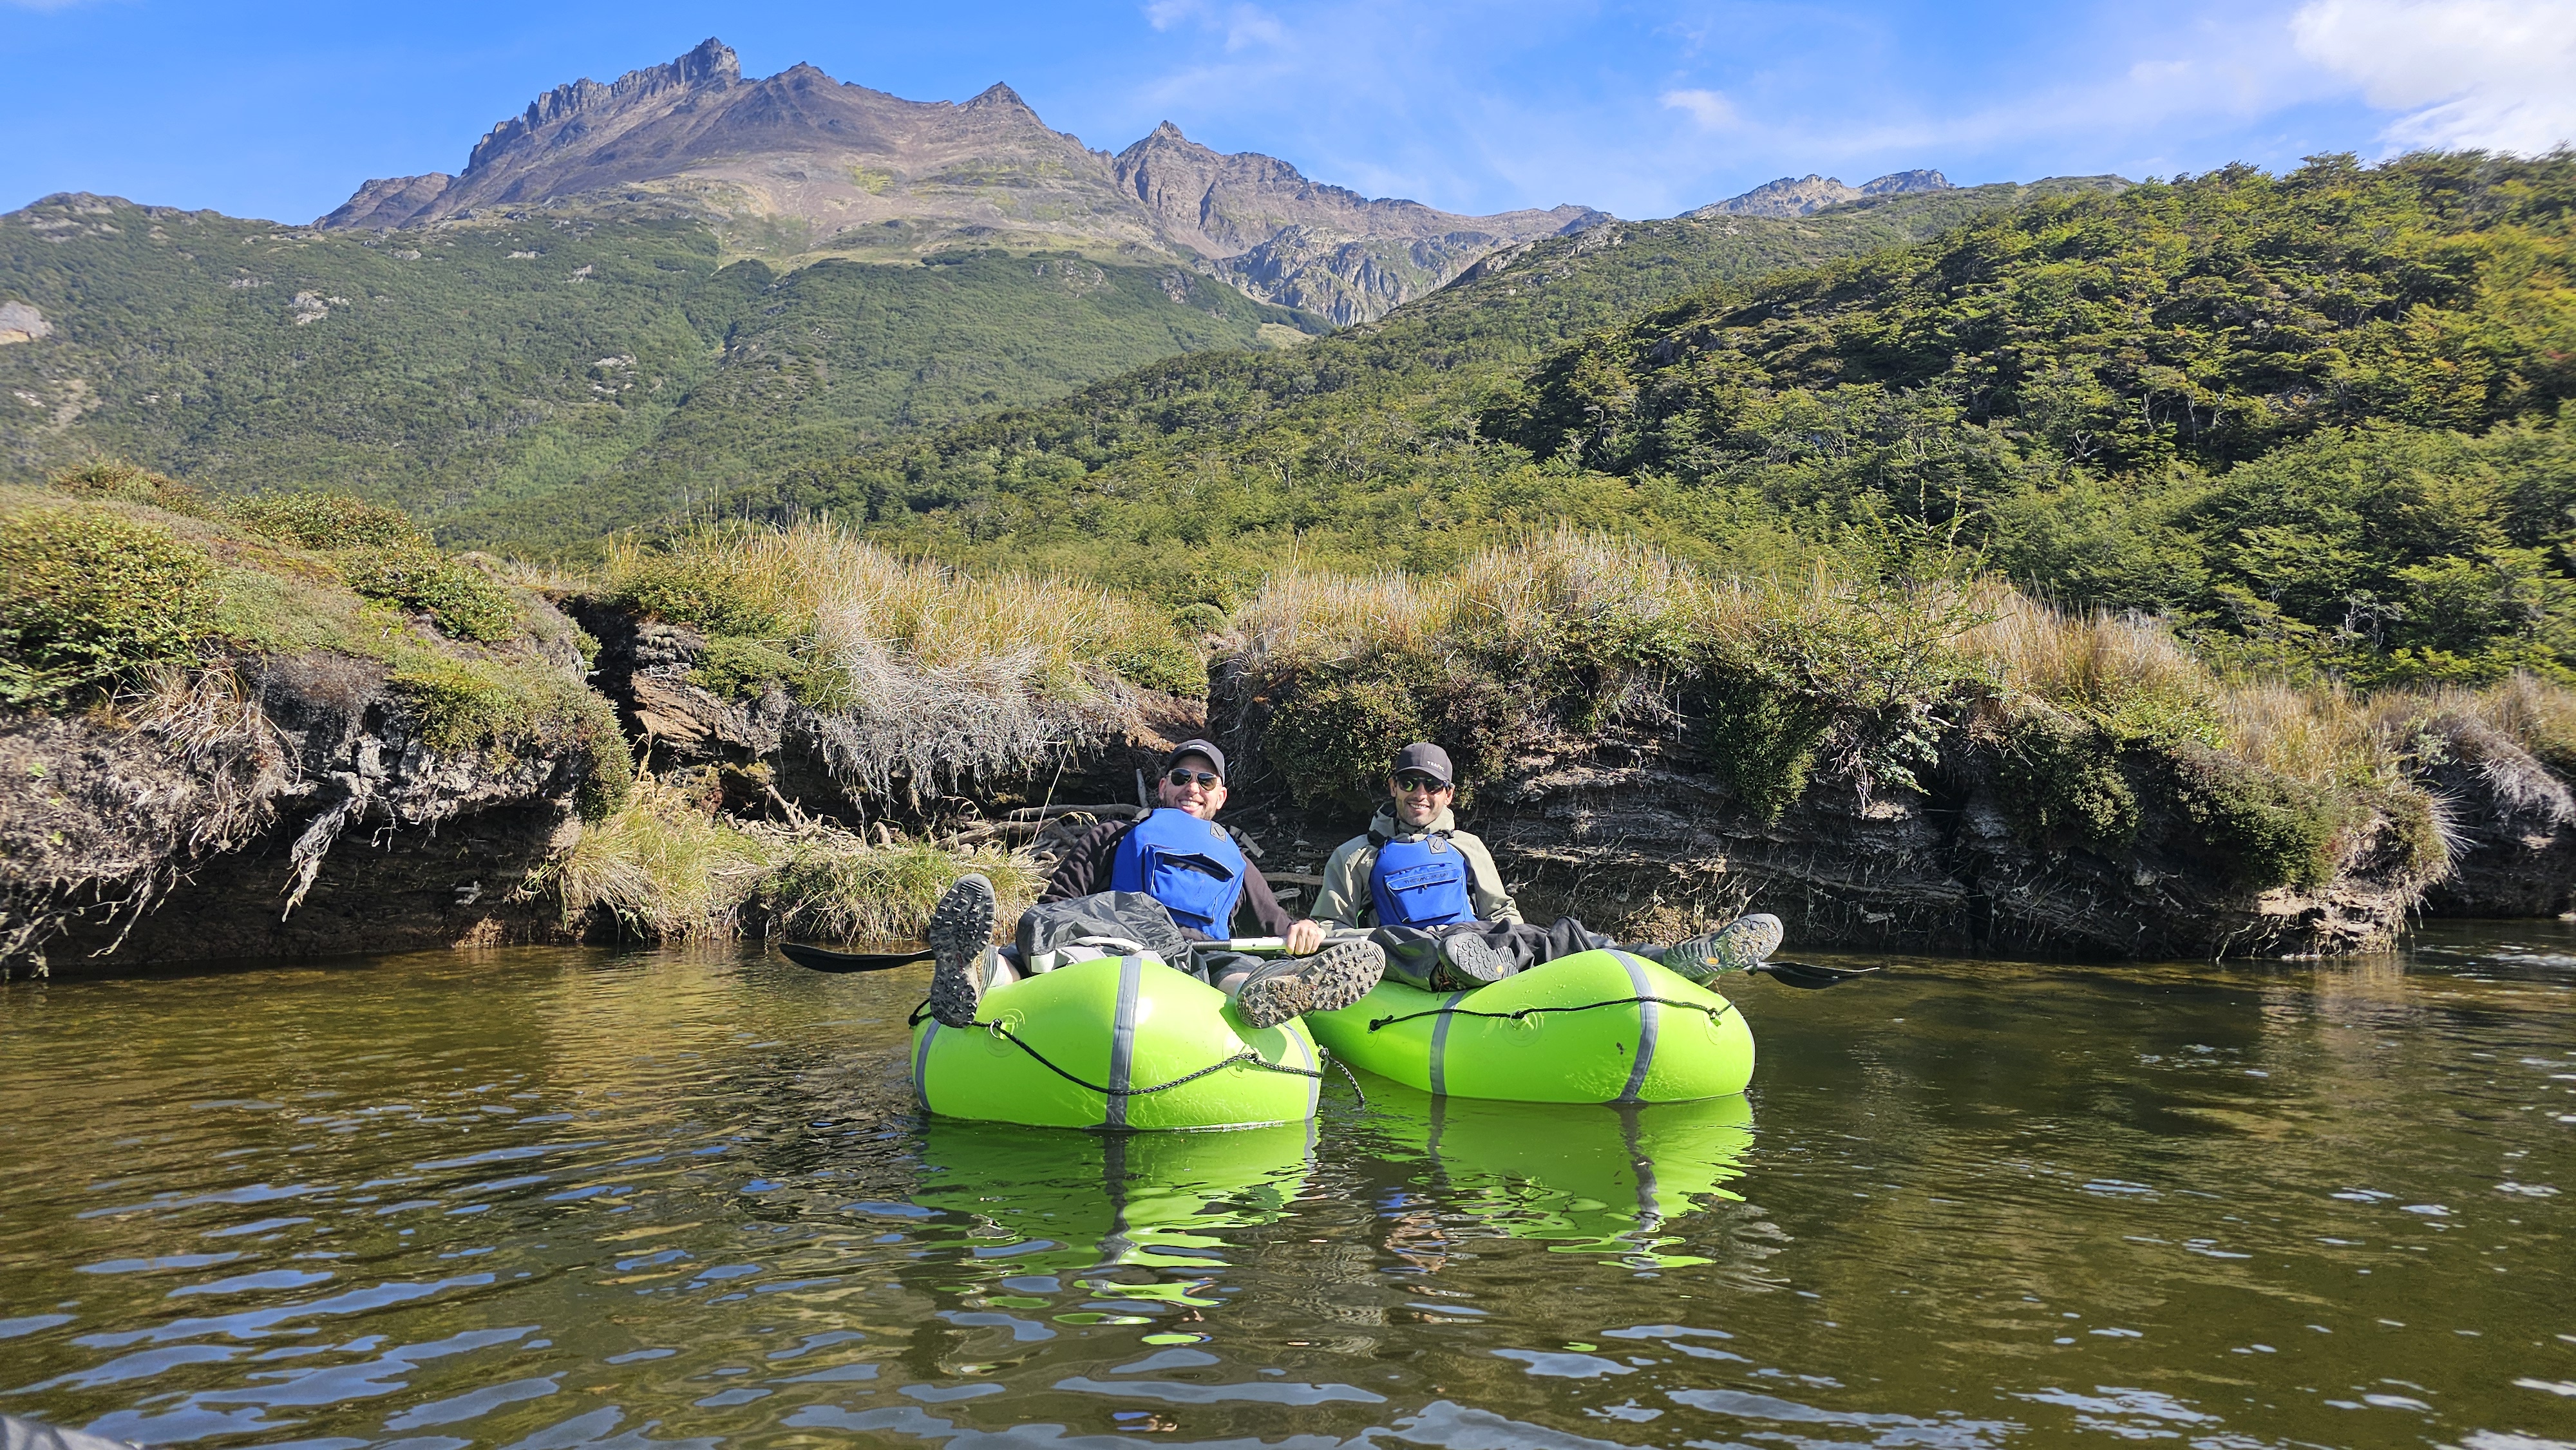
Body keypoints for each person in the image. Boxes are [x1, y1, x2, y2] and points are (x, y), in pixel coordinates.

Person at [925, 739, 1385, 1030]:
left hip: (1198, 960)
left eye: (1206, 780)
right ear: (1163, 787)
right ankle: (978, 971)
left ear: (1221, 796)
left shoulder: (1238, 863)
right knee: (1041, 941)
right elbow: (1053, 908)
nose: (1192, 787)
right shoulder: (1113, 836)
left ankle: (1267, 993)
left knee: (1234, 964)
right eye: (1182, 778)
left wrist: (1303, 930)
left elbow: (1278, 926)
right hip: (1116, 948)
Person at [1311, 742, 1785, 991]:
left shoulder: (1467, 846)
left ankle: (1672, 960)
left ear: (1449, 794)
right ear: (1393, 786)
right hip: (1412, 948)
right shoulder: (1355, 855)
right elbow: (1333, 927)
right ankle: (1455, 970)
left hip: (1473, 939)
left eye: (1432, 786)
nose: (1421, 794)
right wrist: (1314, 934)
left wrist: (1518, 946)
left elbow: (1502, 913)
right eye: (1410, 783)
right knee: (1394, 943)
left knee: (1559, 935)